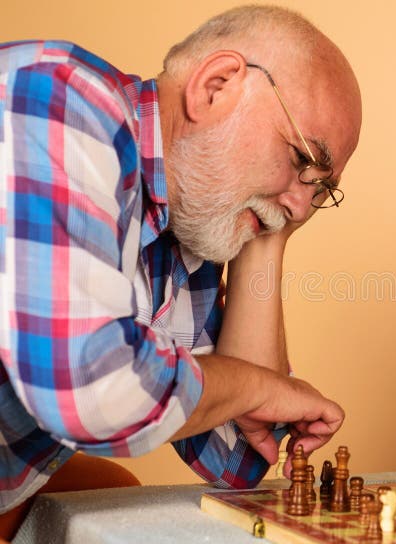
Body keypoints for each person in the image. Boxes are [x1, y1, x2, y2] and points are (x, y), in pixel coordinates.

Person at [0, 4, 361, 538]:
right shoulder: (56, 97)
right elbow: (90, 390)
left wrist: (270, 227)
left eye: (321, 189)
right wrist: (256, 388)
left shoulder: (180, 232)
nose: (305, 207)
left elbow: (239, 458)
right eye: (303, 159)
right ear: (216, 85)